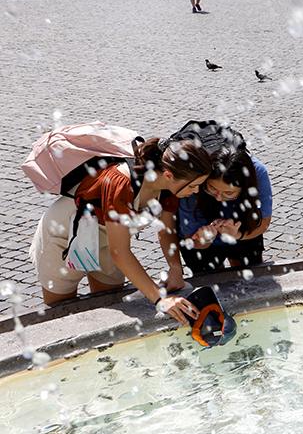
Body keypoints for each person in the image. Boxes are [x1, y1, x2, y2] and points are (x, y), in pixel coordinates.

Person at [30, 136, 212, 324]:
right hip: (65, 237)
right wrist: (161, 299)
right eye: (193, 185)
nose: (196, 191)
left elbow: (166, 231)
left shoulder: (168, 187)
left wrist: (175, 269)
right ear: (168, 175)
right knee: (61, 313)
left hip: (108, 240)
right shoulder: (120, 182)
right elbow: (120, 252)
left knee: (111, 305)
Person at [178, 124, 273, 275]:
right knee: (210, 281)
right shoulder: (195, 180)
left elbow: (263, 222)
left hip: (244, 232)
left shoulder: (257, 172)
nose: (219, 197)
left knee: (249, 279)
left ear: (245, 187)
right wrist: (204, 241)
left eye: (229, 193)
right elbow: (190, 239)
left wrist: (238, 235)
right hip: (202, 243)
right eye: (212, 189)